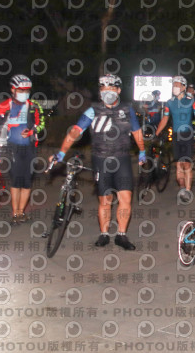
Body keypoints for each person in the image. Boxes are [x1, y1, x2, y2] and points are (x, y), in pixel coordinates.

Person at [50, 74, 145, 250]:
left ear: (119, 90)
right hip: (101, 160)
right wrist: (61, 153)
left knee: (125, 198)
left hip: (122, 159)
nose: (108, 92)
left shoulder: (127, 110)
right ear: (100, 92)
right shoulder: (93, 111)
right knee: (105, 199)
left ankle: (121, 235)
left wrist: (142, 152)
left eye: (111, 88)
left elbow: (137, 132)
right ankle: (104, 234)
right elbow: (75, 132)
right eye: (104, 89)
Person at [0, 75, 45, 224]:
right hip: (12, 148)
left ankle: (21, 212)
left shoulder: (34, 106)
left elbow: (41, 124)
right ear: (13, 89)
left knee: (27, 181)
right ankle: (15, 213)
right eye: (21, 90)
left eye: (27, 90)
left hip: (29, 148)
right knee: (16, 180)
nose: (24, 93)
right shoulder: (4, 105)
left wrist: (32, 131)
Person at [154, 76, 195, 202]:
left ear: (183, 87)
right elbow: (165, 119)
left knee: (187, 163)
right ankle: (182, 188)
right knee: (178, 164)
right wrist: (156, 133)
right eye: (173, 85)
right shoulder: (170, 102)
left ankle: (188, 191)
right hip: (176, 135)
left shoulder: (191, 101)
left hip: (187, 135)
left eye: (177, 85)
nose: (175, 87)